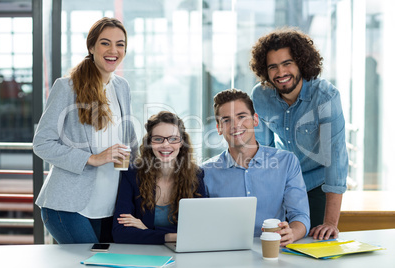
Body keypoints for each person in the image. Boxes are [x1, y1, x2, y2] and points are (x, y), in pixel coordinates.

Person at [33, 17, 137, 244]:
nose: (113, 50)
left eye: (120, 44)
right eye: (105, 43)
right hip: (68, 206)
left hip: (110, 205)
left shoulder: (122, 87)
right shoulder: (67, 87)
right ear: (91, 47)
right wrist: (92, 158)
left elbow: (130, 140)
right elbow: (42, 143)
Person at [250, 27, 348, 240]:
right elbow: (263, 152)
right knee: (273, 241)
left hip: (317, 183)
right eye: (273, 67)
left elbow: (336, 160)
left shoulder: (325, 97)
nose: (281, 73)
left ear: (301, 63)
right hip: (284, 182)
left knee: (313, 241)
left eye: (287, 63)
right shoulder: (260, 95)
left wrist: (330, 223)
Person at [202, 89, 310, 247]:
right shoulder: (205, 172)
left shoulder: (287, 162)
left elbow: (300, 216)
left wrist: (292, 233)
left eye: (241, 116)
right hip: (225, 252)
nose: (235, 125)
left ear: (255, 120)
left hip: (273, 251)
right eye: (226, 120)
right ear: (219, 128)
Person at [112, 111, 206, 244]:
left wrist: (147, 229)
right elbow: (120, 233)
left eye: (173, 138)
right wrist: (171, 236)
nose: (166, 145)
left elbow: (201, 229)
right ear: (149, 142)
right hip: (142, 255)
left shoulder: (196, 175)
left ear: (182, 142)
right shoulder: (132, 175)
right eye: (158, 138)